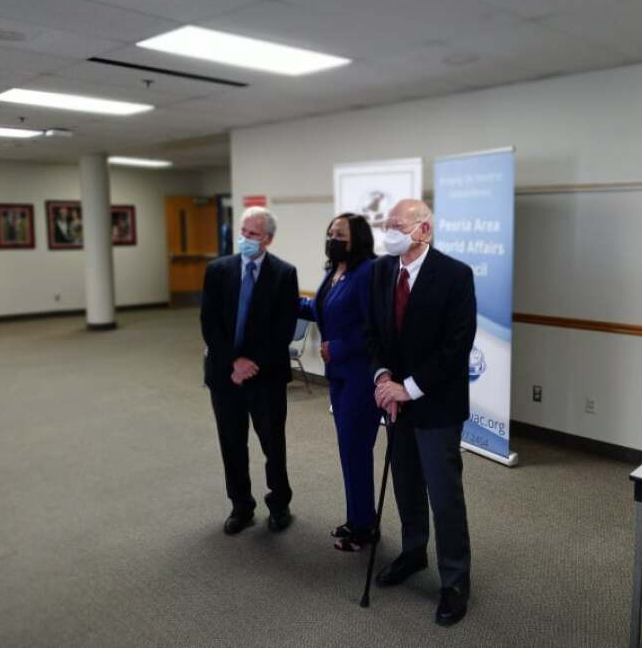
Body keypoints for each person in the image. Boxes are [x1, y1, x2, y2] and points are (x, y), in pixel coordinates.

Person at [366, 199, 477, 627]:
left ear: (424, 230)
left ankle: (454, 580)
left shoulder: (454, 275)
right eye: (387, 224)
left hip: (436, 405)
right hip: (395, 401)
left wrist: (407, 388)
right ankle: (414, 551)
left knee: (444, 494)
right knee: (406, 482)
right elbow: (372, 332)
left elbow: (456, 346)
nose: (389, 231)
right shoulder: (380, 271)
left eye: (397, 224)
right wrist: (382, 379)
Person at [200, 207, 299, 535]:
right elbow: (209, 324)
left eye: (253, 235)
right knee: (231, 443)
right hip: (225, 376)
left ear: (268, 239)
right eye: (243, 232)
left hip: (266, 376)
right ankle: (241, 505)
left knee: (273, 444)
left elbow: (282, 330)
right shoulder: (217, 270)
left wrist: (250, 364)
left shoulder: (284, 274)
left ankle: (279, 502)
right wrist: (233, 362)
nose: (245, 239)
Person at [299, 213, 380, 551]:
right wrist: (287, 303)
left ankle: (364, 529)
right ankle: (357, 519)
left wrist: (341, 347)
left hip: (361, 376)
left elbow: (377, 328)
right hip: (340, 377)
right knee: (349, 451)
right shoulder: (334, 271)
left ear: (357, 237)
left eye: (340, 233)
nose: (333, 236)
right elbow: (325, 311)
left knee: (357, 450)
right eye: (330, 231)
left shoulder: (368, 272)